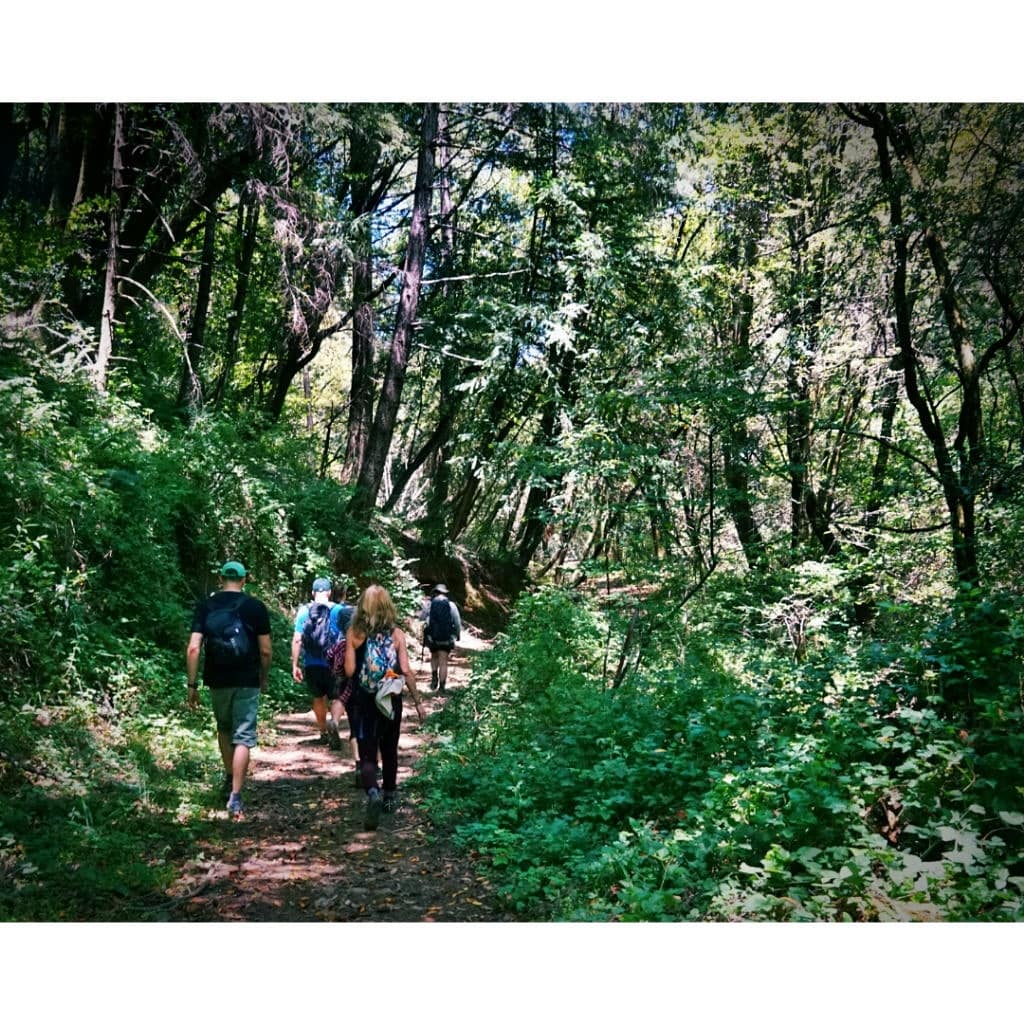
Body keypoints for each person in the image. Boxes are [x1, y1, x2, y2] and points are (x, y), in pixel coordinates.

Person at [186, 561, 272, 817]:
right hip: (247, 679)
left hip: (217, 679)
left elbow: (193, 648)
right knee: (243, 736)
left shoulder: (206, 606)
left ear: (220, 578)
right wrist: (263, 677)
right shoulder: (256, 607)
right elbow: (266, 650)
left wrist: (192, 684)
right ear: (244, 580)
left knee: (224, 728)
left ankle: (227, 776)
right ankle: (235, 796)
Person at [344, 584, 424, 830]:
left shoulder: (355, 633)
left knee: (368, 752)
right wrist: (419, 703)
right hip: (390, 699)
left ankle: (373, 793)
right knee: (389, 748)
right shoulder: (397, 634)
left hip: (365, 700)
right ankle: (389, 797)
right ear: (388, 606)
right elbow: (406, 670)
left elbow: (348, 671)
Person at [291, 577, 352, 747]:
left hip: (312, 663)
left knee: (318, 697)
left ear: (312, 593)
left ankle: (323, 732)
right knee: (338, 697)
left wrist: (295, 664)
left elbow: (297, 639)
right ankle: (334, 722)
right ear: (329, 592)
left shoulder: (304, 611)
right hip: (335, 663)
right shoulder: (339, 610)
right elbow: (350, 636)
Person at [423, 582, 461, 692]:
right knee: (443, 661)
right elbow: (457, 622)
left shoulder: (430, 604)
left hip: (433, 637)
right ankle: (442, 687)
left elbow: (423, 618)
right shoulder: (451, 605)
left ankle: (434, 680)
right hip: (446, 637)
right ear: (445, 593)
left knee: (434, 657)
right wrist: (457, 635)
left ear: (435, 592)